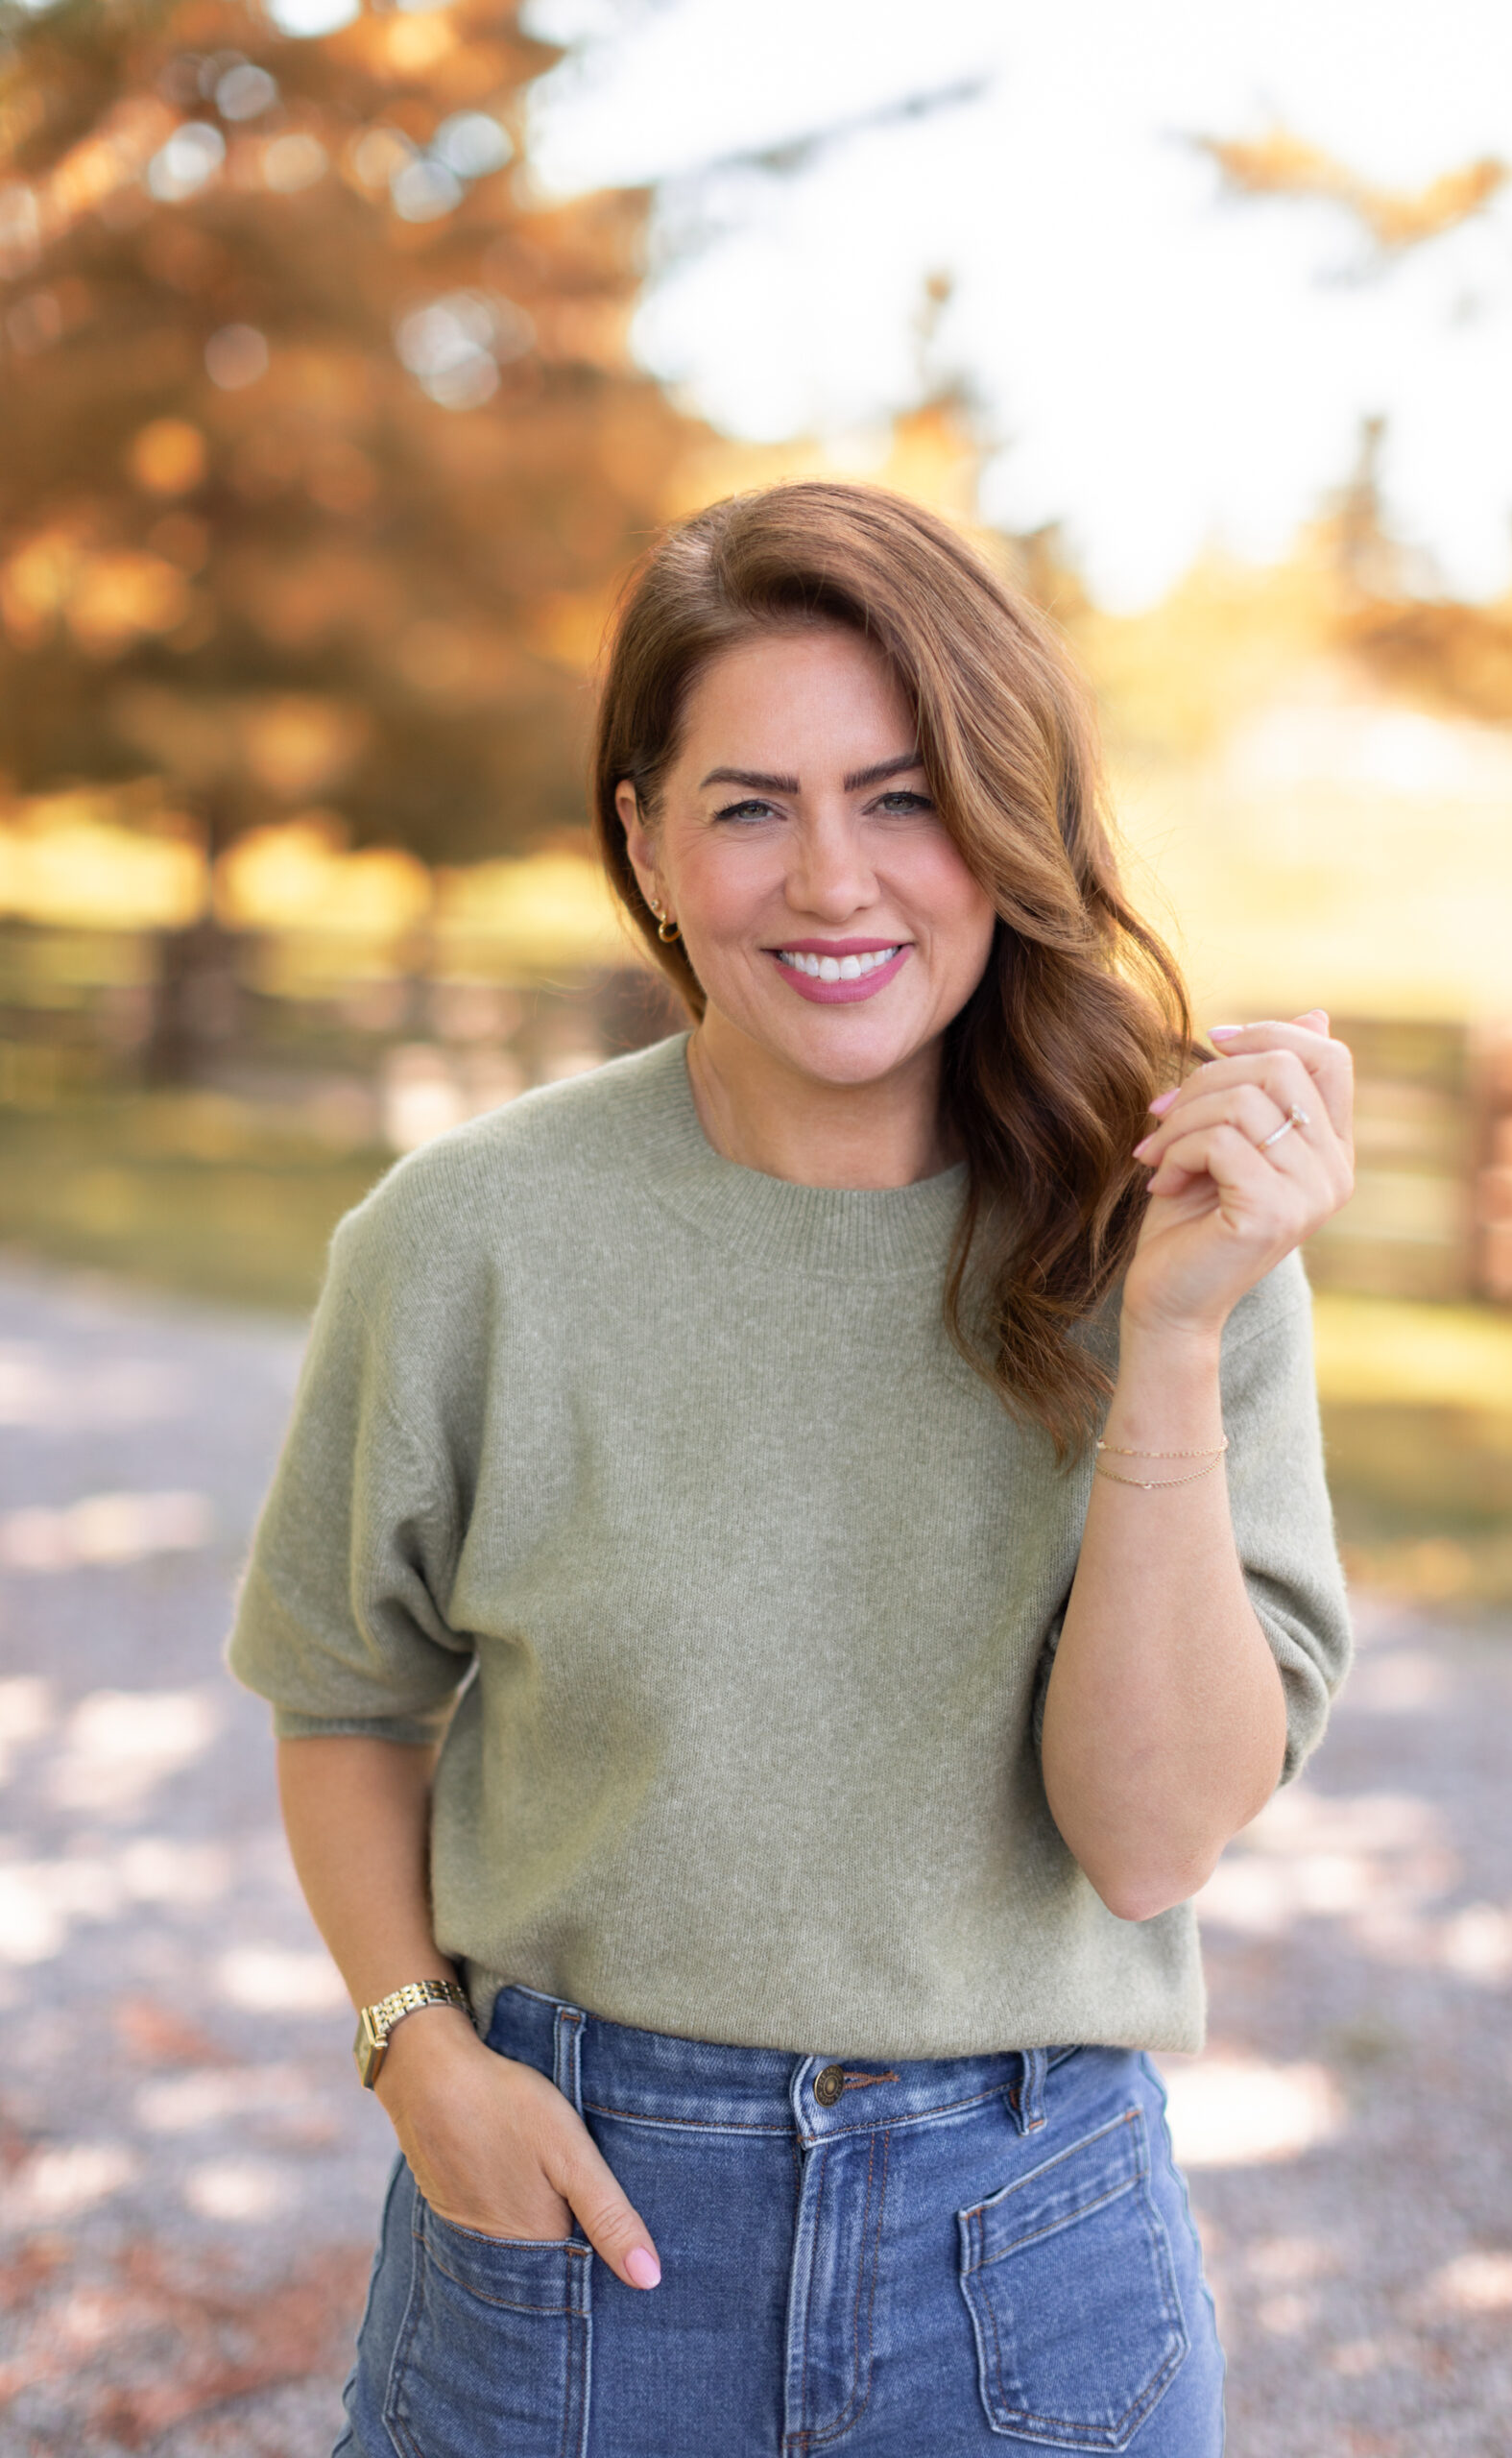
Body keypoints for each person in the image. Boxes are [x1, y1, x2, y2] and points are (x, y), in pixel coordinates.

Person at [228, 480, 1354, 2458]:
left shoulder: (1171, 1247)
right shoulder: (467, 1238)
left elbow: (1151, 1837)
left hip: (1023, 2255)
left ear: (1006, 830)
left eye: (904, 795)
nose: (833, 877)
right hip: (566, 2231)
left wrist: (1165, 1341)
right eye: (751, 803)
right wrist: (417, 2053)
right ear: (645, 844)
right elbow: (345, 1700)